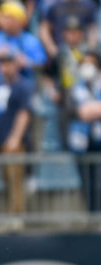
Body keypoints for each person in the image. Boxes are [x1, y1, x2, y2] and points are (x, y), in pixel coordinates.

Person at [0, 51, 34, 215]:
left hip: (15, 143)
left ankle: (16, 218)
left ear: (15, 65)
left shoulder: (22, 86)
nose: (4, 67)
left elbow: (24, 113)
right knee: (6, 181)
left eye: (8, 63)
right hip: (0, 141)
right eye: (1, 64)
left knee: (15, 181)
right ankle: (9, 215)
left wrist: (15, 138)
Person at [0, 1, 46, 90]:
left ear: (20, 20)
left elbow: (42, 65)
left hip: (25, 91)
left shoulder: (30, 41)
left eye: (10, 17)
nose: (6, 21)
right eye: (4, 17)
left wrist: (27, 62)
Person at [66, 49, 101, 211]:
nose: (88, 67)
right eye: (85, 63)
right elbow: (71, 111)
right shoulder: (74, 87)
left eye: (91, 63)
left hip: (98, 139)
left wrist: (94, 110)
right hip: (81, 141)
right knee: (87, 182)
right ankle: (92, 214)